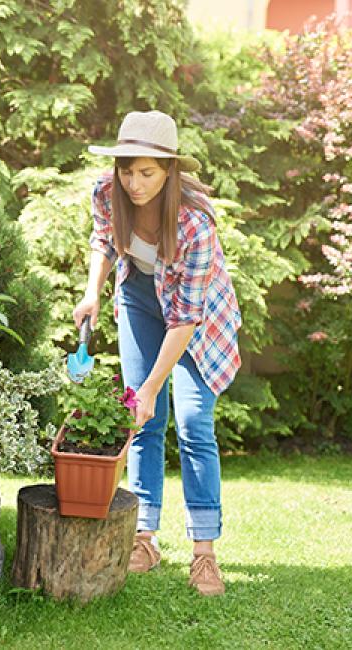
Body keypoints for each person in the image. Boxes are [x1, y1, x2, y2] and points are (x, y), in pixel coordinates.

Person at [73, 110, 242, 597]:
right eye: (128, 170)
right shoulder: (108, 193)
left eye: (146, 172)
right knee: (141, 422)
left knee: (192, 424)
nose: (134, 182)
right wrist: (93, 292)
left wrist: (151, 387)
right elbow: (103, 241)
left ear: (169, 171)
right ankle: (144, 538)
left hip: (198, 322)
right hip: (140, 300)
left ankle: (204, 554)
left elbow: (185, 317)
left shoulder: (195, 223)